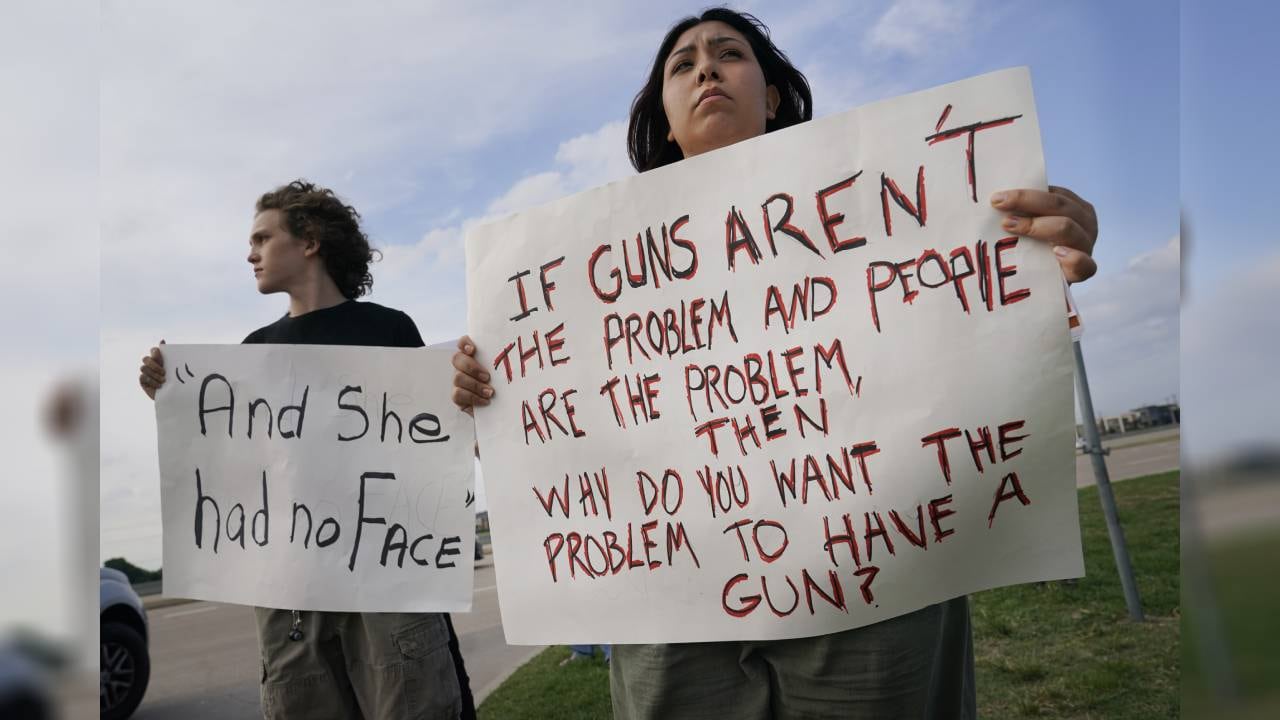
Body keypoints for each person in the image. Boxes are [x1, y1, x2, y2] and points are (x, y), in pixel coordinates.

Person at [451, 8, 1099, 719]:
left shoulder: (893, 201)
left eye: (729, 53)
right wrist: (489, 390)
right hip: (670, 595)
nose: (705, 68)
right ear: (665, 118)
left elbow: (957, 325)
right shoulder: (584, 277)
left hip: (870, 574)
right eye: (682, 65)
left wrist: (1035, 253)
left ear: (772, 96)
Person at [139, 180, 476, 720]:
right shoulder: (254, 352)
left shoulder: (387, 329)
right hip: (292, 593)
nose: (250, 254)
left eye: (262, 238)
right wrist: (171, 395)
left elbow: (431, 448)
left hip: (386, 582)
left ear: (310, 240)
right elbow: (235, 471)